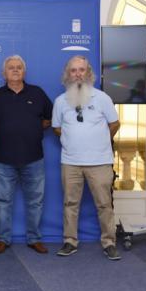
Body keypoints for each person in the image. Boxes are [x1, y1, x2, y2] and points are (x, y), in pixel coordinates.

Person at [52, 55, 121, 261]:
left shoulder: (102, 98)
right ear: (68, 74)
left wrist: (101, 141)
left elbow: (115, 124)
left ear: (88, 73)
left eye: (81, 70)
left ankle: (109, 243)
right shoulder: (60, 101)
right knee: (70, 203)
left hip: (100, 162)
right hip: (70, 161)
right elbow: (56, 127)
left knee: (104, 204)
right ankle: (70, 241)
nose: (77, 74)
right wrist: (71, 140)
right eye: (73, 70)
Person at [0, 55, 53, 255]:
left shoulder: (38, 93)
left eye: (18, 68)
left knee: (35, 200)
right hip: (3, 160)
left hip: (33, 157)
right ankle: (3, 239)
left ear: (24, 72)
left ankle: (34, 239)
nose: (15, 70)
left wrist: (31, 129)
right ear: (4, 73)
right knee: (2, 201)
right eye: (11, 68)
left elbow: (49, 119)